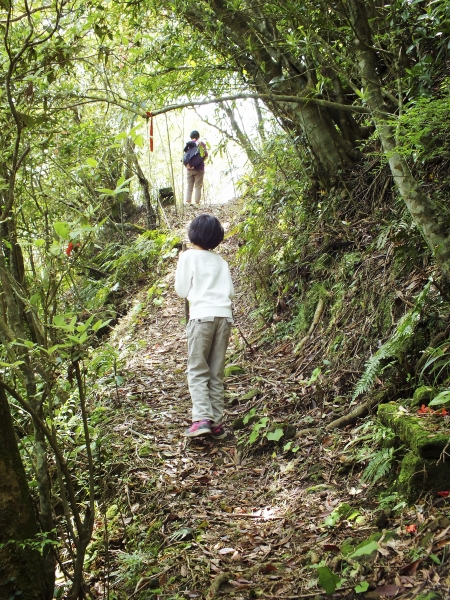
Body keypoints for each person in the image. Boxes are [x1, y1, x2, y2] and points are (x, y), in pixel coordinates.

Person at [175, 214, 234, 438]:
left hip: (201, 317)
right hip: (224, 317)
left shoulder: (188, 257)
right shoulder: (221, 261)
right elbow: (230, 292)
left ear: (193, 234)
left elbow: (181, 291)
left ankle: (201, 419)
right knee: (215, 372)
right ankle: (216, 422)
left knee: (198, 370)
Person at [184, 130, 208, 205]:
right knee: (198, 186)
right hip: (199, 168)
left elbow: (185, 156)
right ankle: (197, 203)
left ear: (191, 137)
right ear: (198, 136)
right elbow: (205, 155)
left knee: (189, 186)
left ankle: (188, 202)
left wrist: (188, 165)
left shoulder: (189, 145)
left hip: (189, 168)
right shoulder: (201, 144)